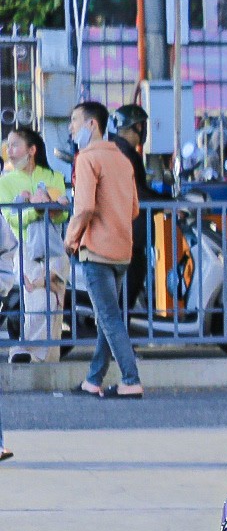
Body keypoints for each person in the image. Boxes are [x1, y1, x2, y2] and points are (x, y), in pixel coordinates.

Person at [64, 102, 143, 400]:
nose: (71, 128)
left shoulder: (87, 158)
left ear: (92, 124)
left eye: (75, 121)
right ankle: (93, 379)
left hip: (96, 250)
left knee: (109, 319)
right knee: (107, 319)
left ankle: (131, 379)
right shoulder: (122, 159)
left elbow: (84, 207)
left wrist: (71, 239)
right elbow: (134, 209)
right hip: (122, 250)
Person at [1, 126, 70, 363]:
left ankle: (47, 360)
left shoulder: (53, 177)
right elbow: (11, 219)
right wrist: (37, 210)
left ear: (32, 150)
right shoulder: (5, 182)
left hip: (55, 247)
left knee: (55, 305)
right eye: (8, 146)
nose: (9, 151)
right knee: (38, 301)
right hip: (25, 249)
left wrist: (51, 208)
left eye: (15, 145)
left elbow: (62, 215)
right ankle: (28, 351)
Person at [109, 104, 165, 310]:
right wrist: (168, 203)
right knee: (126, 294)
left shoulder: (122, 151)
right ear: (138, 127)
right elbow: (135, 192)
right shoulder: (124, 153)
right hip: (128, 235)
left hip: (127, 235)